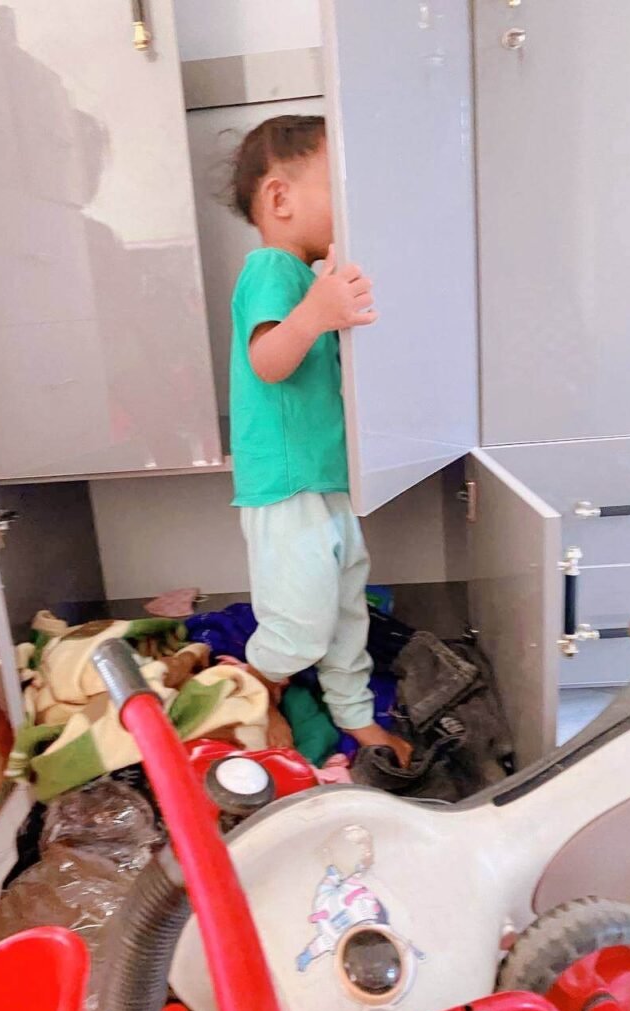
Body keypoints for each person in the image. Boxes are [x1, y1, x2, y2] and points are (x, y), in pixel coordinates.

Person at [226, 114, 412, 767]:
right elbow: (268, 360)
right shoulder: (271, 270)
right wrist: (317, 313)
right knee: (303, 622)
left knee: (343, 609)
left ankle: (355, 715)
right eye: (338, 184)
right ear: (279, 198)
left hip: (323, 477)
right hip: (285, 483)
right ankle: (251, 684)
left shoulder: (305, 277)